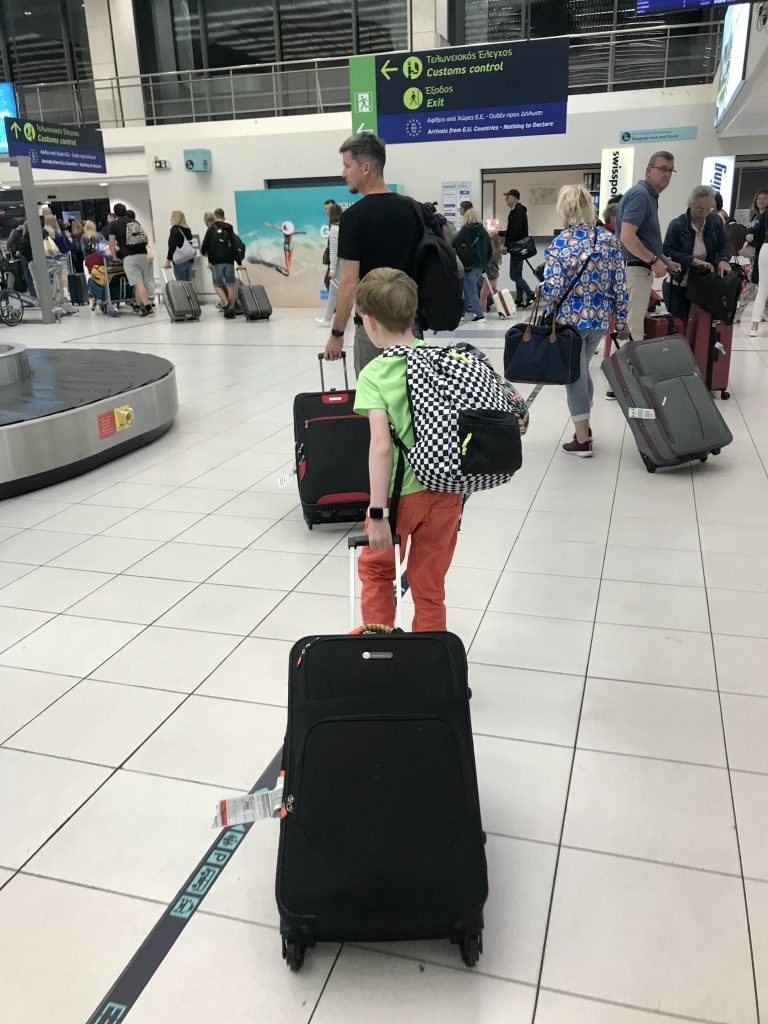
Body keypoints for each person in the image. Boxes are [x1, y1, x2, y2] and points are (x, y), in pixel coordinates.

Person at [353, 267, 463, 631]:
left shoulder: (374, 373)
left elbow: (382, 447)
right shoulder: (445, 360)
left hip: (401, 496)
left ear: (369, 322)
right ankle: (427, 668)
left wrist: (378, 511)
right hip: (447, 494)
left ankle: (378, 656)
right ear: (412, 314)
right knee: (430, 587)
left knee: (378, 573)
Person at [323, 132, 424, 376]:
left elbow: (348, 283)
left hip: (372, 330)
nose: (344, 173)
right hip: (410, 327)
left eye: (347, 165)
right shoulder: (414, 209)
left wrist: (337, 334)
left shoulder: (354, 217)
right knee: (411, 400)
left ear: (365, 167)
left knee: (375, 404)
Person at [540, 184, 628, 458]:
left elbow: (553, 291)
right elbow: (620, 285)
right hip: (599, 321)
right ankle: (585, 427)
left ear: (564, 209)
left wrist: (542, 290)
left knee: (573, 376)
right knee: (582, 368)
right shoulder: (608, 239)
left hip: (570, 323)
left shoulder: (560, 243)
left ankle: (582, 441)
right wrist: (622, 320)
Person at [615, 151, 682, 346]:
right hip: (635, 269)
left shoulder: (649, 196)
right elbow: (627, 236)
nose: (667, 174)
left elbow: (644, 238)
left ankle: (627, 369)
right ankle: (626, 372)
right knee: (631, 326)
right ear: (648, 170)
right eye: (662, 169)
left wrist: (664, 260)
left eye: (670, 170)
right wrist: (653, 261)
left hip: (638, 268)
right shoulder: (641, 195)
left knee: (633, 324)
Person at [661, 185, 733, 320]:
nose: (704, 212)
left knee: (701, 328)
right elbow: (667, 250)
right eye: (699, 208)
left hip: (704, 284)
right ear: (690, 204)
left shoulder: (715, 221)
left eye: (709, 209)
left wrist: (723, 260)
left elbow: (725, 245)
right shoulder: (677, 224)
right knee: (680, 326)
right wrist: (692, 260)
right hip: (679, 283)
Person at [107, 202, 153, 317]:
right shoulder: (134, 222)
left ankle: (147, 307)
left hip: (129, 256)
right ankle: (137, 305)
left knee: (138, 282)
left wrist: (114, 257)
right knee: (140, 281)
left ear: (115, 213)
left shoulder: (114, 224)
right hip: (143, 254)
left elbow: (111, 242)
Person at [200, 207, 244, 318]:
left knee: (217, 284)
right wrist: (239, 262)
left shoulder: (211, 229)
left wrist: (206, 254)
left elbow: (204, 247)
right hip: (229, 261)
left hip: (217, 262)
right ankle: (232, 308)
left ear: (214, 216)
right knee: (230, 285)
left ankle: (225, 304)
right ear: (223, 216)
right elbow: (234, 246)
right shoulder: (229, 228)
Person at [451, 208, 491, 323]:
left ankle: (479, 315)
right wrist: (485, 263)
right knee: (468, 288)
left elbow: (454, 243)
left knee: (471, 290)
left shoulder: (466, 230)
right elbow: (489, 249)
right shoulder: (483, 230)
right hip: (480, 265)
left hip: (469, 265)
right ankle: (463, 312)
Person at [501, 188, 535, 309]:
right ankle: (519, 299)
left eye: (508, 196)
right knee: (518, 273)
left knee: (513, 275)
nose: (505, 199)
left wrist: (507, 245)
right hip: (519, 247)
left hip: (517, 247)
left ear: (514, 197)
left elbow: (514, 231)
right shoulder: (517, 211)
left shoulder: (517, 211)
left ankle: (530, 294)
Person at [315, 202, 342, 326]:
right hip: (347, 263)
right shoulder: (342, 227)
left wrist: (332, 269)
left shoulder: (334, 229)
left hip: (338, 265)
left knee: (332, 292)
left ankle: (327, 320)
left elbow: (333, 251)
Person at [746, 191, 768, 338]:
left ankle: (754, 326)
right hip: (763, 249)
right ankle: (754, 325)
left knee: (762, 289)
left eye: (764, 198)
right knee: (761, 288)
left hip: (765, 248)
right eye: (759, 198)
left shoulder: (764, 215)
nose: (761, 200)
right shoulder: (758, 216)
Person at [164, 210, 195, 282]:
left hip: (180, 261)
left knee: (181, 284)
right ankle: (190, 294)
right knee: (188, 284)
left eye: (171, 217)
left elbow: (172, 246)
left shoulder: (174, 229)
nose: (170, 219)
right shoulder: (188, 230)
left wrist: (168, 260)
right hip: (189, 260)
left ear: (175, 218)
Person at [479, 229, 502, 313]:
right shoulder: (496, 250)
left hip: (491, 276)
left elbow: (486, 263)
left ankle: (482, 313)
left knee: (483, 295)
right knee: (487, 294)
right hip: (492, 276)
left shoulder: (492, 252)